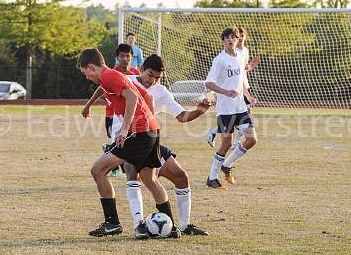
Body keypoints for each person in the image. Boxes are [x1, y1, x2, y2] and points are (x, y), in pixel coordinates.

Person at [84, 54, 210, 236]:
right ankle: (148, 226)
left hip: (139, 134)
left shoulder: (161, 91)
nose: (153, 80)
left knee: (176, 177)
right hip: (137, 134)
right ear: (141, 69)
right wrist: (88, 105)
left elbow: (181, 116)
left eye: (157, 78)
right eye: (150, 75)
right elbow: (105, 88)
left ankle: (168, 226)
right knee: (138, 176)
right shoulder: (126, 78)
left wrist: (199, 111)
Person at [77, 48, 176, 239]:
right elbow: (142, 96)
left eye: (85, 72)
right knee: (149, 179)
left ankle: (112, 223)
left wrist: (124, 128)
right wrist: (88, 105)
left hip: (138, 133)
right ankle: (171, 227)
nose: (86, 77)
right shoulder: (109, 77)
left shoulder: (110, 76)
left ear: (91, 66)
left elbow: (131, 97)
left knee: (98, 170)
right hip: (150, 130)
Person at [205, 27, 258, 189]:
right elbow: (209, 82)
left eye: (233, 37)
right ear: (223, 40)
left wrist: (248, 96)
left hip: (240, 107)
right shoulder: (219, 60)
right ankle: (212, 177)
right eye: (227, 37)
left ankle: (227, 164)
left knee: (251, 139)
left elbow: (241, 79)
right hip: (225, 109)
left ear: (237, 39)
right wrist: (225, 91)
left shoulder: (241, 56)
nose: (230, 40)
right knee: (226, 144)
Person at [82, 44, 141, 178]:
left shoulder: (133, 73)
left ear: (132, 58)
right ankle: (113, 161)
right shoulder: (111, 74)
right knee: (127, 162)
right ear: (116, 58)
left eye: (128, 56)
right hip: (114, 115)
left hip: (136, 121)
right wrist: (88, 105)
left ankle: (111, 155)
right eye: (122, 56)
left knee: (127, 162)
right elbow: (102, 90)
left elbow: (135, 96)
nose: (125, 59)